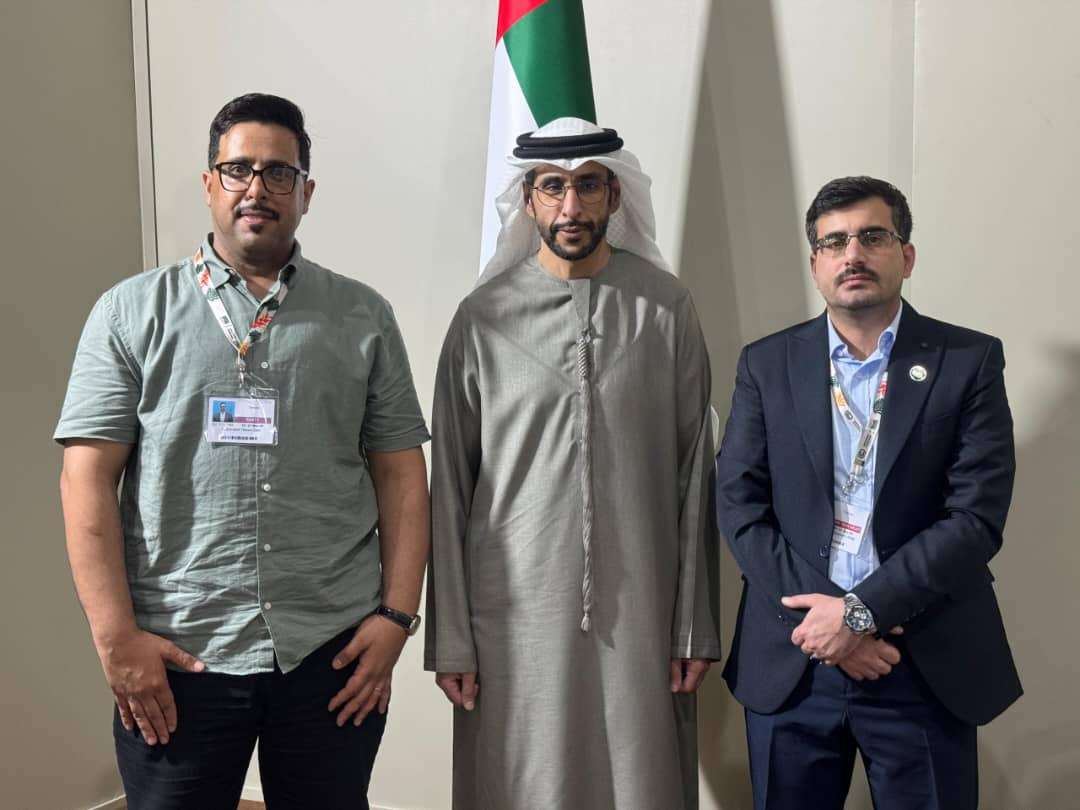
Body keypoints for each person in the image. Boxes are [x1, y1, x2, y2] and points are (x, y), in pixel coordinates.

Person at [55, 93, 431, 810]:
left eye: (278, 172)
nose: (257, 188)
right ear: (209, 184)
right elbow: (85, 481)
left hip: (332, 652)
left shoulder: (363, 317)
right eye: (238, 170)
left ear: (306, 192)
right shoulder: (129, 313)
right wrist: (115, 639)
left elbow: (402, 476)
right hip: (179, 653)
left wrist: (396, 618)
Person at [425, 117, 721, 810]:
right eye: (552, 188)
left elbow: (695, 481)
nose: (571, 207)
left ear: (615, 196)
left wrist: (693, 626)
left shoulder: (666, 309)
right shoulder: (482, 318)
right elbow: (450, 493)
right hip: (511, 618)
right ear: (527, 199)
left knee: (640, 778)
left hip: (645, 613)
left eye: (588, 186)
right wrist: (452, 640)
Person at [716, 175, 1022, 809]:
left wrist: (859, 615)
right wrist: (826, 623)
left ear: (905, 256)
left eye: (872, 237)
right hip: (795, 659)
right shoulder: (766, 364)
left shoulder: (967, 360)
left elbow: (975, 518)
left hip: (918, 660)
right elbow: (739, 507)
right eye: (834, 242)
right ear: (815, 264)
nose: (852, 254)